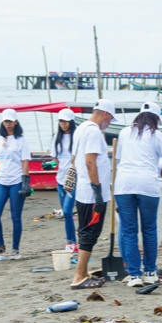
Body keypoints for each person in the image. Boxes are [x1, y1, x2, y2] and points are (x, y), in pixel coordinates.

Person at [114, 102, 162, 288]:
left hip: (124, 184)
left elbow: (118, 160)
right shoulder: (158, 135)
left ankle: (134, 275)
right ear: (156, 119)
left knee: (129, 229)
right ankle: (149, 272)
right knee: (149, 229)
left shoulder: (124, 132)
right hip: (148, 184)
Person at [69, 99, 117, 289]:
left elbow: (75, 158)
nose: (109, 123)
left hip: (83, 190)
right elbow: (90, 162)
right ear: (105, 114)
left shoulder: (81, 128)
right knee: (90, 233)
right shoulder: (94, 132)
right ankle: (79, 276)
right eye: (110, 119)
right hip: (91, 193)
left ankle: (84, 273)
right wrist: (97, 191)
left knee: (86, 232)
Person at [0, 108, 31, 261]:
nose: (8, 124)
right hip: (2, 181)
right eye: (6, 121)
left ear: (16, 122)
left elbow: (25, 161)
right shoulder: (1, 139)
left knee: (15, 216)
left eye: (10, 121)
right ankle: (0, 246)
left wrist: (25, 181)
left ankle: (15, 248)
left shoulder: (21, 140)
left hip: (16, 181)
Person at [50, 108, 77, 252]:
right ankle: (72, 243)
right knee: (67, 215)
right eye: (61, 121)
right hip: (60, 180)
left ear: (71, 122)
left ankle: (71, 242)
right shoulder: (57, 138)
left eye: (66, 121)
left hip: (73, 179)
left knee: (67, 211)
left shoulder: (77, 136)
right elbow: (55, 158)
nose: (63, 124)